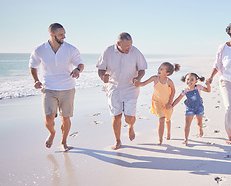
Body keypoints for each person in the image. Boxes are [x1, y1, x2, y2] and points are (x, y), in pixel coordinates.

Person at [29, 23, 84, 151]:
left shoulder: (71, 49)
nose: (64, 37)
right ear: (52, 35)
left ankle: (64, 142)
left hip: (67, 87)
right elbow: (33, 66)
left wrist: (77, 70)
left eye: (64, 34)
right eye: (60, 35)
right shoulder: (39, 49)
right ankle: (52, 133)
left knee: (66, 118)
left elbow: (80, 64)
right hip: (48, 87)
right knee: (49, 118)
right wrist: (36, 80)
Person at [97, 32, 147, 150]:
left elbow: (142, 69)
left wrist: (138, 78)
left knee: (129, 117)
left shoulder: (135, 52)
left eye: (130, 45)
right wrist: (102, 77)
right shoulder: (108, 51)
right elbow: (101, 69)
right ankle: (118, 141)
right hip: (113, 88)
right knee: (116, 116)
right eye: (126, 46)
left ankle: (130, 126)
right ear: (118, 44)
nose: (129, 48)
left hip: (131, 88)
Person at [138, 62, 180, 145]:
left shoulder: (169, 81)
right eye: (159, 68)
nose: (158, 70)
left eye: (161, 69)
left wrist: (169, 102)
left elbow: (173, 91)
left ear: (167, 73)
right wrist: (136, 82)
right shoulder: (155, 78)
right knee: (161, 119)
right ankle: (160, 139)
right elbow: (143, 84)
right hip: (157, 102)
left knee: (167, 119)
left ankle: (168, 133)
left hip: (167, 103)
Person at [173, 73, 211, 145]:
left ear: (196, 81)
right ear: (185, 80)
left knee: (199, 123)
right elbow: (178, 99)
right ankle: (186, 139)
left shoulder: (198, 87)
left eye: (192, 80)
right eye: (187, 79)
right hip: (190, 109)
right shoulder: (185, 91)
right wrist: (172, 106)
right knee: (187, 124)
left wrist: (208, 85)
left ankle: (200, 128)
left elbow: (208, 90)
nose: (189, 81)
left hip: (199, 108)